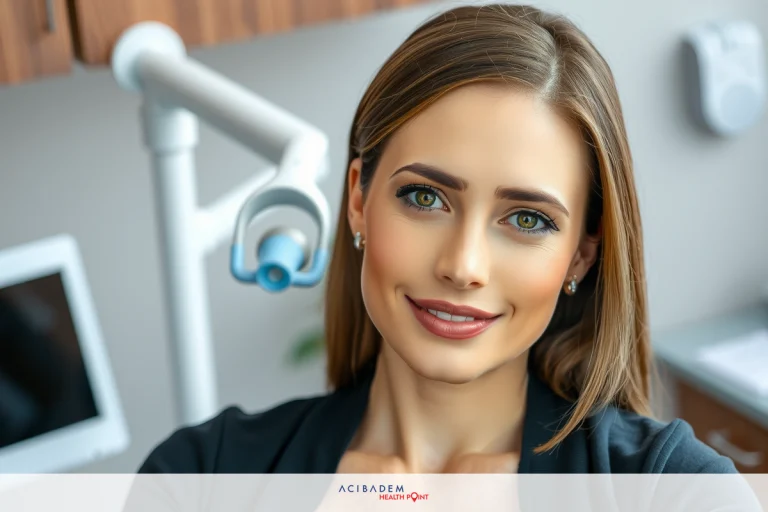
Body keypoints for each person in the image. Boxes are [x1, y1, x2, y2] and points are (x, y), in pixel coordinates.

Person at [137, 3, 736, 474]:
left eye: (528, 219)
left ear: (581, 253)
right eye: (425, 198)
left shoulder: (675, 487)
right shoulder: (202, 473)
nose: (462, 265)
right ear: (357, 202)